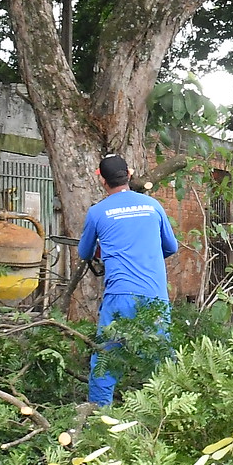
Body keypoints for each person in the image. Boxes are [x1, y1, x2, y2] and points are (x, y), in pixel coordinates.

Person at [76, 153, 179, 406]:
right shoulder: (153, 206)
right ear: (129, 175)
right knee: (160, 359)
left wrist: (103, 248)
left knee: (105, 360)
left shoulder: (97, 212)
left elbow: (84, 253)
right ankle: (167, 415)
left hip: (119, 296)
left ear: (102, 181)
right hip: (155, 295)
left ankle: (100, 417)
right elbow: (171, 247)